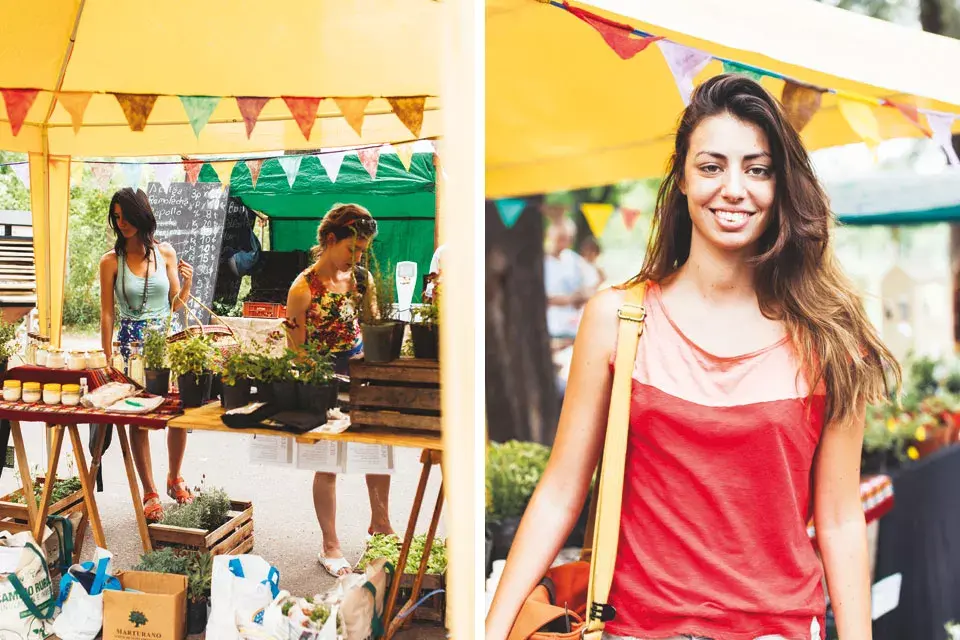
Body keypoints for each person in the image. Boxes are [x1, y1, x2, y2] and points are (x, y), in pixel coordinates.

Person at [485, 74, 900, 640]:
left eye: (757, 169)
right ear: (682, 177)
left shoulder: (832, 338)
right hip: (635, 629)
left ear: (782, 185)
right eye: (711, 166)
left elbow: (840, 518)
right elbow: (561, 491)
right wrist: (489, 629)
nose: (734, 188)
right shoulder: (617, 320)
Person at [284, 203, 396, 578]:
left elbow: (371, 326)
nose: (358, 257)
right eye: (353, 248)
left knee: (379, 456)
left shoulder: (362, 279)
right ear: (330, 240)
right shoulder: (302, 289)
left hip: (363, 376)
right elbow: (296, 351)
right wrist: (314, 390)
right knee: (328, 465)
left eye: (363, 251)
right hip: (323, 384)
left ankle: (380, 525)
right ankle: (329, 545)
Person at [99, 188, 195, 523]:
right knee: (139, 420)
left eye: (125, 215)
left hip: (166, 343)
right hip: (130, 347)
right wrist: (106, 353)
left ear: (142, 215)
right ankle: (150, 491)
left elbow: (175, 306)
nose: (121, 222)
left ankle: (174, 477)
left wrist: (187, 284)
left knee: (178, 414)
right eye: (116, 217)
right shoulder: (111, 261)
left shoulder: (164, 253)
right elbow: (107, 313)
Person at [543, 217, 600, 343]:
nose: (564, 242)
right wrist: (569, 299)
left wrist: (582, 295)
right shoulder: (541, 262)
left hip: (573, 327)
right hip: (549, 327)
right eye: (561, 238)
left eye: (568, 238)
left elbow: (592, 284)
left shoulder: (575, 260)